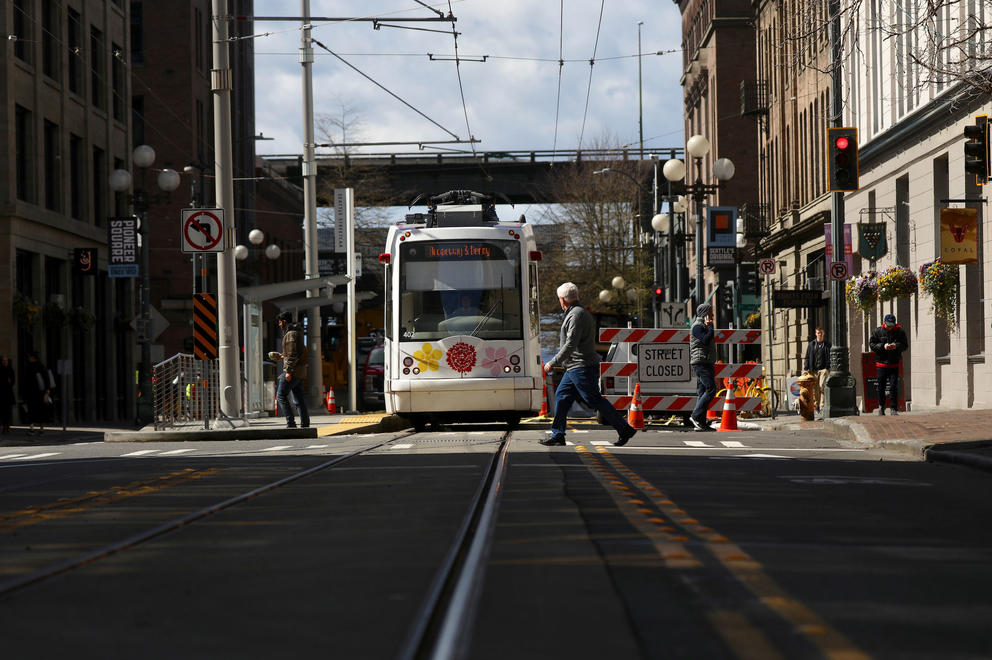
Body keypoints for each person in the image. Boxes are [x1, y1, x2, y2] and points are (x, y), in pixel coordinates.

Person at [541, 282, 636, 447]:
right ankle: (558, 434)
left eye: (559, 299)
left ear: (563, 300)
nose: (559, 302)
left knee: (593, 399)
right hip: (574, 367)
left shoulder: (576, 315)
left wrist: (552, 361)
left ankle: (624, 429)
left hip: (581, 366)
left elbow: (570, 344)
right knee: (562, 397)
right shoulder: (577, 313)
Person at [273, 311, 310, 428]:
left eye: (280, 322)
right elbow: (293, 353)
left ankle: (291, 422)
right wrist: (281, 356)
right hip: (299, 371)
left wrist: (288, 371)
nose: (279, 325)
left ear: (284, 322)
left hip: (293, 371)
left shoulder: (290, 334)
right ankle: (305, 423)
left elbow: (293, 354)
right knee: (299, 399)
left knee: (281, 395)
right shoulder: (296, 332)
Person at [869, 313, 908, 416]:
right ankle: (881, 407)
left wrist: (896, 346)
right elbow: (872, 344)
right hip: (881, 364)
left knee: (893, 387)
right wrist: (883, 346)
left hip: (894, 363)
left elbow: (905, 345)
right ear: (884, 323)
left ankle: (893, 408)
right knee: (881, 387)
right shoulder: (877, 331)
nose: (890, 327)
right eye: (888, 325)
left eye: (892, 325)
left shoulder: (900, 332)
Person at [689, 303, 717, 432]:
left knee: (702, 392)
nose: (713, 315)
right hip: (700, 362)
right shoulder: (697, 327)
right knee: (711, 389)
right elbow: (705, 340)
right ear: (705, 314)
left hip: (706, 361)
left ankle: (700, 422)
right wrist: (710, 327)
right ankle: (695, 416)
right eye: (711, 312)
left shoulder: (703, 326)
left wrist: (709, 327)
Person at [20, 351, 52, 436]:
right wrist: (47, 390)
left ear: (33, 357)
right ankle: (40, 429)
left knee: (32, 411)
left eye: (30, 357)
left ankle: (32, 429)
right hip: (39, 393)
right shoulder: (41, 366)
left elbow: (25, 381)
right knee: (39, 411)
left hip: (33, 393)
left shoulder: (30, 367)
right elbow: (46, 378)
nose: (29, 358)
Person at [803, 326, 832, 413]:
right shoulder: (811, 345)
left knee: (821, 386)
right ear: (816, 334)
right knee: (815, 389)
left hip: (823, 369)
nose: (820, 334)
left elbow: (830, 356)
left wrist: (828, 367)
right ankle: (817, 406)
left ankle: (822, 406)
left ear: (824, 333)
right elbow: (807, 357)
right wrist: (806, 368)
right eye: (818, 333)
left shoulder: (827, 345)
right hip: (813, 370)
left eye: (821, 333)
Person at [0, 355, 14, 434]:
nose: (5, 362)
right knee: (3, 411)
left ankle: (7, 427)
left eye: (6, 361)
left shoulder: (10, 369)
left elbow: (13, 381)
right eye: (4, 361)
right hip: (1, 394)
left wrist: (10, 381)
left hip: (8, 394)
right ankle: (4, 427)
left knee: (8, 411)